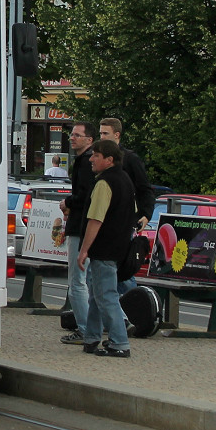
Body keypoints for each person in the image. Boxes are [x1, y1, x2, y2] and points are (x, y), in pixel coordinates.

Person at [78, 139, 137, 358]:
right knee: (96, 294)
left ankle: (119, 342)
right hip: (119, 247)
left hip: (104, 248)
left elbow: (95, 219)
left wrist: (84, 250)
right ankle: (92, 337)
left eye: (96, 155)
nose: (91, 159)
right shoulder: (126, 180)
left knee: (106, 296)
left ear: (109, 160)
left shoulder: (105, 183)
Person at [99, 117, 153, 293]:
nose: (102, 137)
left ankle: (132, 309)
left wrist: (145, 214)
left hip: (124, 221)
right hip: (103, 220)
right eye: (100, 133)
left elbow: (145, 188)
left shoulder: (129, 159)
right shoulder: (98, 158)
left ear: (117, 135)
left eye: (105, 133)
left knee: (123, 270)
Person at [59, 123, 95, 344]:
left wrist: (67, 202)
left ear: (89, 140)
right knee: (92, 280)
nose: (72, 138)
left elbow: (84, 195)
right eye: (71, 134)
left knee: (77, 282)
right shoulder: (87, 162)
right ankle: (109, 322)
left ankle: (84, 329)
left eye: (78, 135)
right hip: (84, 224)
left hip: (80, 226)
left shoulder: (84, 163)